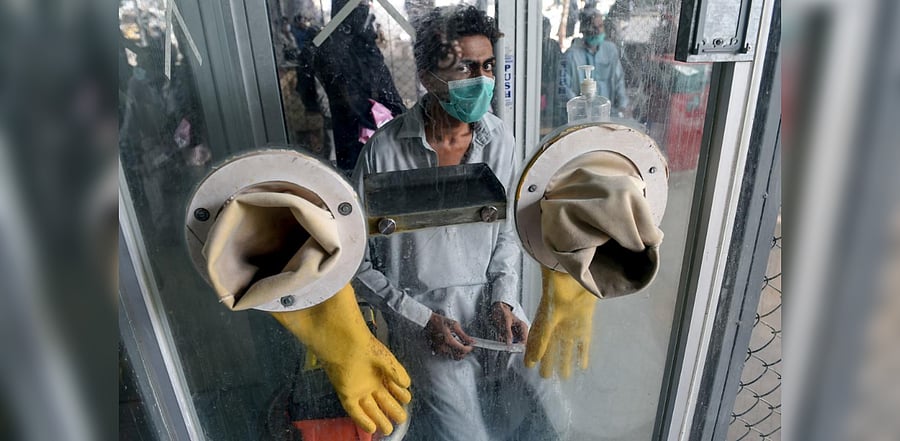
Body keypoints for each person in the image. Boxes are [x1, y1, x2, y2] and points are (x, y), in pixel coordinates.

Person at [351, 5, 566, 440]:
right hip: (423, 317)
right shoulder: (383, 153)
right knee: (463, 430)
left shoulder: (499, 140)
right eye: (466, 68)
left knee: (552, 407)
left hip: (493, 308)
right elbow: (355, 264)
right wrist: (419, 319)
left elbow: (507, 233)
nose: (482, 79)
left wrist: (504, 300)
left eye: (487, 66)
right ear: (429, 77)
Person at [300, 0, 406, 173]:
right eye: (363, 2)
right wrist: (401, 113)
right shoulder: (360, 43)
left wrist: (312, 106)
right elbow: (385, 87)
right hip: (369, 125)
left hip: (347, 124)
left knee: (352, 168)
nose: (368, 5)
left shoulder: (328, 42)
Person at [562, 7, 629, 117]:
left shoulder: (610, 50)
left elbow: (619, 82)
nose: (597, 31)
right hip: (582, 117)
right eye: (593, 27)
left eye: (600, 26)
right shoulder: (572, 56)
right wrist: (581, 111)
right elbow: (565, 90)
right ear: (583, 29)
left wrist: (623, 106)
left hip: (608, 114)